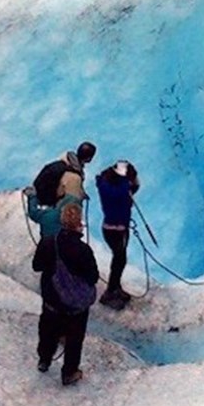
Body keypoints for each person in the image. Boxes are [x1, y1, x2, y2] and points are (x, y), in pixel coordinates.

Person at [38, 205, 100, 386]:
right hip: (75, 305)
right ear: (79, 223)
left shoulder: (48, 242)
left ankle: (44, 360)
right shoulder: (83, 250)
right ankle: (69, 372)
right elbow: (93, 277)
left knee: (48, 330)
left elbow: (37, 265)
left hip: (51, 299)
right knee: (75, 338)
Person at [94, 160, 139, 308]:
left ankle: (115, 287)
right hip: (115, 229)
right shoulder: (114, 189)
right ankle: (110, 291)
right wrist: (128, 183)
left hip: (117, 228)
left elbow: (133, 187)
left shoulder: (107, 184)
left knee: (120, 258)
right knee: (119, 259)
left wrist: (128, 183)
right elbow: (119, 193)